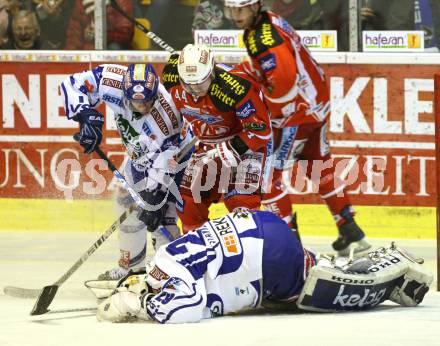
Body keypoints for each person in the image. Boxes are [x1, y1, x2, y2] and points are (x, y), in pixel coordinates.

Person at [95, 210, 433, 323]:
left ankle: (384, 283)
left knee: (306, 294)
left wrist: (140, 307)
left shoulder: (170, 265)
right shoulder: (169, 255)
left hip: (267, 258)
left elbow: (187, 309)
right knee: (306, 269)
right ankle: (339, 263)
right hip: (264, 227)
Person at [223, 0, 371, 255]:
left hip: (296, 114)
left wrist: (261, 104)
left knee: (268, 177)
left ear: (255, 7)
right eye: (231, 9)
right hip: (316, 102)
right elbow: (275, 71)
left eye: (241, 9)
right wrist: (242, 73)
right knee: (318, 164)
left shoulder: (262, 39)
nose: (236, 15)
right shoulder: (267, 19)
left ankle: (289, 245)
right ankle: (351, 230)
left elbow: (282, 87)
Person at [61, 63, 187, 280]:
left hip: (171, 161)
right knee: (126, 204)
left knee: (160, 217)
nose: (141, 106)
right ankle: (131, 267)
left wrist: (154, 193)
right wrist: (86, 116)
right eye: (135, 101)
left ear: (156, 93)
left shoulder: (167, 118)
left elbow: (169, 159)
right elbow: (71, 84)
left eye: (147, 101)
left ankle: (168, 273)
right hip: (137, 157)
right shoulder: (111, 80)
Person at [162, 44, 273, 233]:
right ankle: (199, 252)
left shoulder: (234, 88)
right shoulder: (171, 81)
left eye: (200, 82)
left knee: (241, 205)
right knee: (188, 201)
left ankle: (248, 255)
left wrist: (234, 147)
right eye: (187, 83)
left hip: (246, 145)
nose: (194, 89)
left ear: (212, 73)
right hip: (207, 145)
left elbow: (261, 130)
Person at [64, 0, 134, 50]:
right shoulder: (80, 2)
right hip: (88, 49)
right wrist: (70, 53)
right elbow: (74, 32)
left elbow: (125, 33)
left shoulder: (121, 1)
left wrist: (101, 35)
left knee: (114, 47)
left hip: (112, 47)